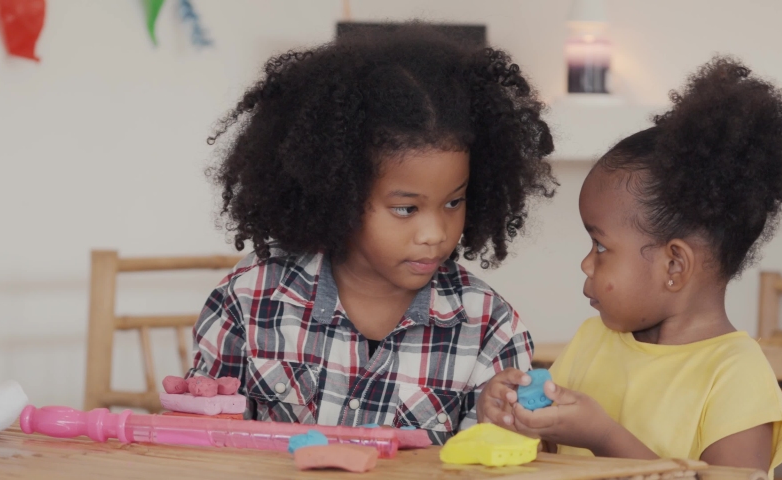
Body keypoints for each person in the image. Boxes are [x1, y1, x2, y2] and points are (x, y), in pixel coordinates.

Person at [188, 23, 557, 445]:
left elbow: (497, 463)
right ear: (337, 194)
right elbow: (205, 445)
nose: (435, 233)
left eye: (453, 202)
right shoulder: (249, 299)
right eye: (406, 209)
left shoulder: (491, 328)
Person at [478, 57, 782, 471]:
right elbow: (546, 459)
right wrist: (517, 422)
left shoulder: (736, 376)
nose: (585, 264)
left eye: (600, 246)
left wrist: (604, 437)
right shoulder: (591, 342)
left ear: (674, 265)